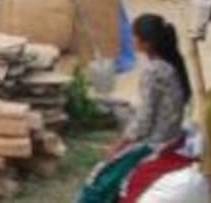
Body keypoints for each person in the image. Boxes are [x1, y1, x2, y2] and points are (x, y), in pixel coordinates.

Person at [78, 13, 193, 203]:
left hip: (157, 141)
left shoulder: (154, 71)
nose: (132, 40)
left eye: (134, 35)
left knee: (100, 181)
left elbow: (144, 121)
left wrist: (121, 143)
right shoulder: (173, 65)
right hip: (173, 135)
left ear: (146, 43)